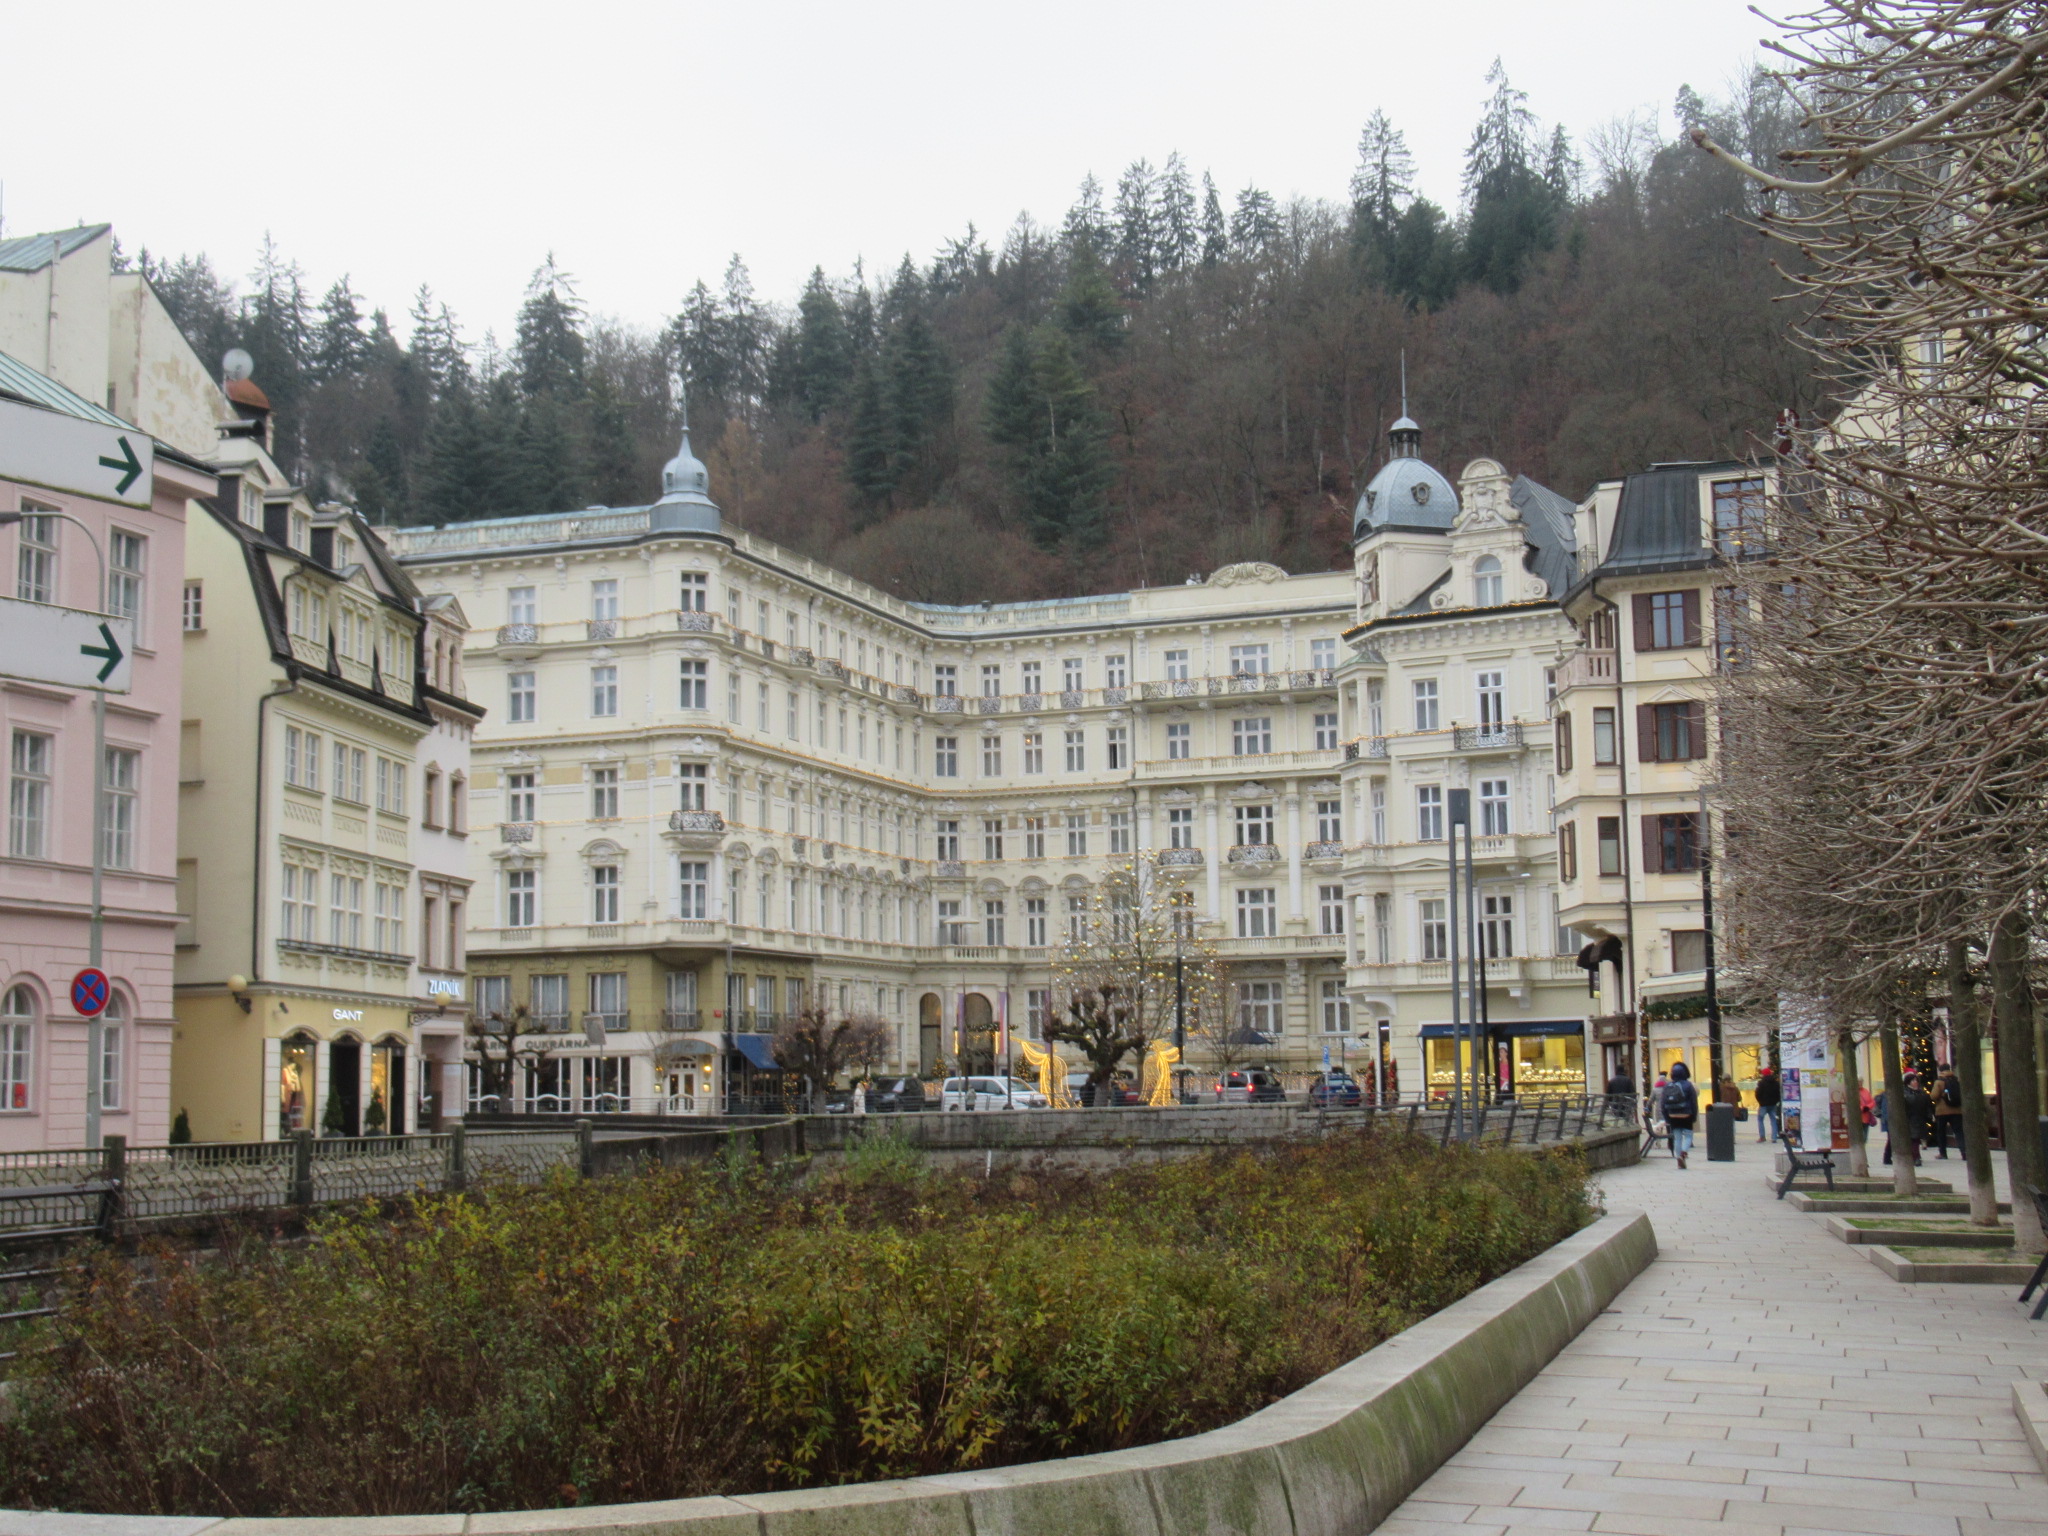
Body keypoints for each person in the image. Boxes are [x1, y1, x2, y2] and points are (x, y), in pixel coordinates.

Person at [1659, 1062, 1701, 1169]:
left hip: (1673, 1115)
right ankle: (1683, 1153)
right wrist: (1694, 1115)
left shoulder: (1668, 1086)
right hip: (1686, 1114)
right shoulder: (1688, 1085)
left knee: (1677, 1138)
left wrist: (1667, 1117)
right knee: (1688, 1135)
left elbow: (1663, 1104)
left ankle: (1678, 1157)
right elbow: (1693, 1102)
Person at [1931, 1066, 1963, 1158]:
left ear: (1940, 1070)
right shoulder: (1956, 1080)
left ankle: (1943, 1153)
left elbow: (1933, 1096)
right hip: (1956, 1110)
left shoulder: (1939, 1081)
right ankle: (1964, 1152)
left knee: (1941, 1132)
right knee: (1959, 1132)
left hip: (1942, 1111)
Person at [1754, 1065, 1783, 1143]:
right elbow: (1778, 1094)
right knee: (1773, 1120)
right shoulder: (1775, 1083)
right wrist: (1776, 1101)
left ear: (1763, 1074)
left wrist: (1760, 1101)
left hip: (1763, 1105)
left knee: (1760, 1120)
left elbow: (1757, 1094)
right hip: (1773, 1105)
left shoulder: (1761, 1083)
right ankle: (1774, 1138)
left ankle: (1762, 1137)